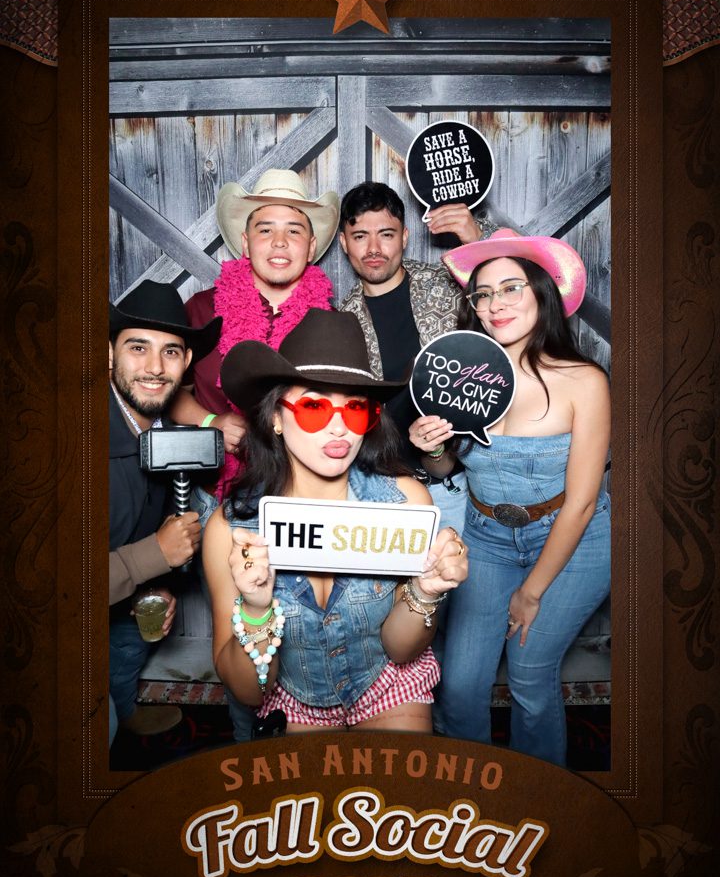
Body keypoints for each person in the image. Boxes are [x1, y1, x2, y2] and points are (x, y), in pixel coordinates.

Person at [202, 309, 468, 736]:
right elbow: (249, 691)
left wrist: (425, 590)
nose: (340, 428)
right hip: (294, 699)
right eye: (314, 407)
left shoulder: (405, 503)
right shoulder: (233, 530)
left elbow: (401, 651)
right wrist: (255, 609)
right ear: (275, 417)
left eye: (356, 409)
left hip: (386, 685)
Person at [409, 229, 610, 766]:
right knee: (459, 686)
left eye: (510, 288)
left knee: (529, 673)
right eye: (483, 294)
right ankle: (469, 798)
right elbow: (449, 468)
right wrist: (432, 448)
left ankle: (539, 797)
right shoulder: (460, 376)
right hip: (487, 538)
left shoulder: (584, 381)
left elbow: (582, 502)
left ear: (542, 293)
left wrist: (532, 592)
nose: (495, 304)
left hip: (572, 538)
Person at [170, 168, 339, 497]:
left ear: (310, 247)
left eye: (293, 230)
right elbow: (166, 393)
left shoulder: (330, 322)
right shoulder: (202, 310)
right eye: (266, 229)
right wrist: (211, 422)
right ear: (246, 243)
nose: (279, 242)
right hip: (215, 493)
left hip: (299, 493)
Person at [108, 280, 221, 744]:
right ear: (108, 353)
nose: (155, 367)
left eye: (170, 352)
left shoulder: (168, 432)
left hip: (124, 600)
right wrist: (152, 555)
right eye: (138, 348)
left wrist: (155, 578)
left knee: (134, 628)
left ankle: (123, 709)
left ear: (187, 361)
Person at [338, 181, 481, 533]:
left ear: (404, 237)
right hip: (377, 490)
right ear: (343, 243)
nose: (374, 248)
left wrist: (477, 237)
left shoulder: (449, 285)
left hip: (450, 486)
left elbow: (527, 291)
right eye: (360, 236)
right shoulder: (342, 320)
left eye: (386, 234)